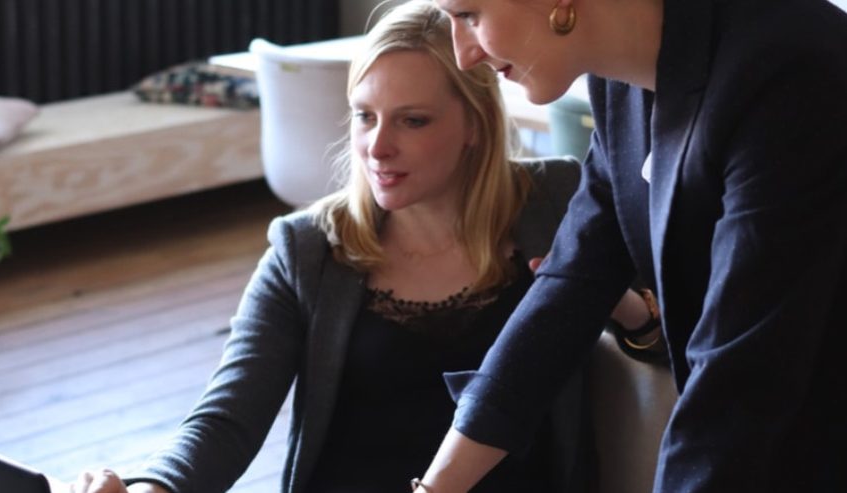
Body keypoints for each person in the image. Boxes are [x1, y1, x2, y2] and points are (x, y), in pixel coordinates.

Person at [68, 1, 657, 492]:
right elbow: (227, 419)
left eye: (413, 121)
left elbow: (666, 346)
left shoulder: (557, 199)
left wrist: (618, 305)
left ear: (475, 124)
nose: (377, 147)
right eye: (364, 116)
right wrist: (152, 488)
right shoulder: (306, 250)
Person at [417, 0, 847, 491]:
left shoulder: (789, 68)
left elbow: (739, 379)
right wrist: (436, 486)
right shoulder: (622, 80)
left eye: (469, 15)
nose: (463, 54)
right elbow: (573, 281)